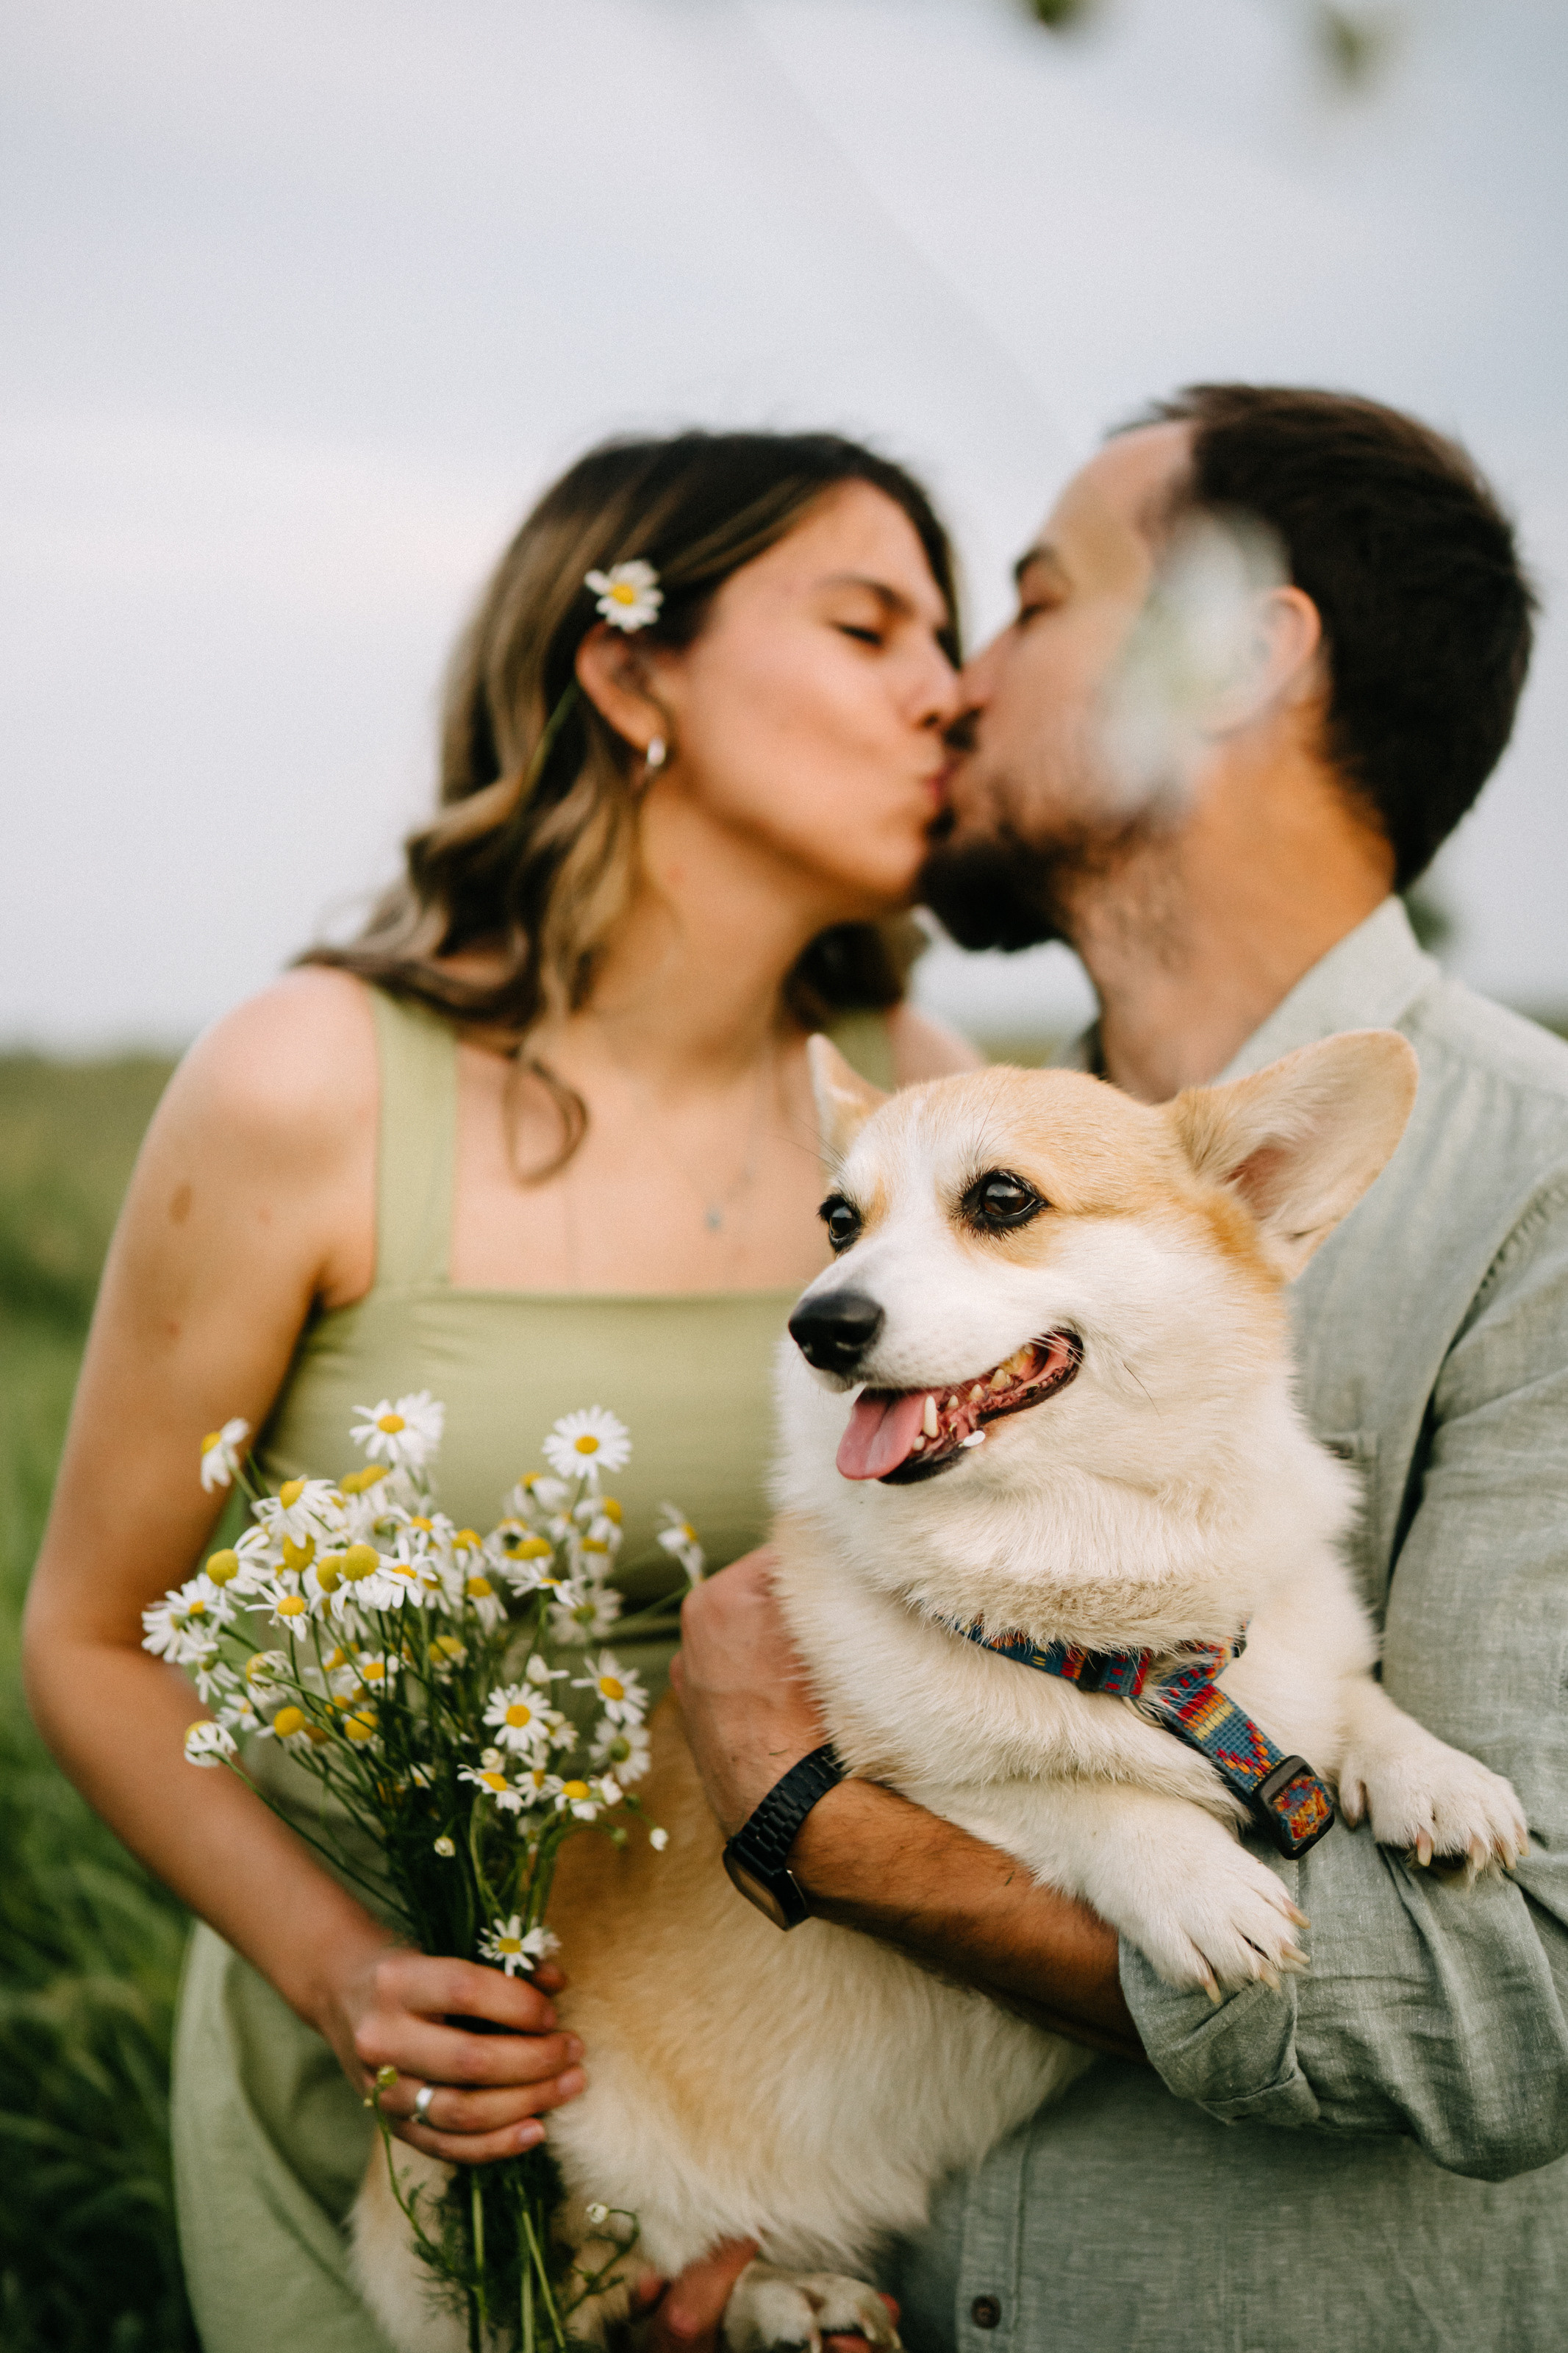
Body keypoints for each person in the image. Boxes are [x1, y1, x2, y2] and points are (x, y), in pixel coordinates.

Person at [21, 426, 978, 2353]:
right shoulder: (312, 1086)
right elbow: (92, 1637)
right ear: (629, 673)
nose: (948, 693)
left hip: (792, 2116)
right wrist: (352, 1984)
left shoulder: (918, 1090)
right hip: (412, 2105)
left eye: (949, 641)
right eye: (870, 625)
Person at [670, 387, 1568, 2351]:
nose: (952, 691)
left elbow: (1518, 2009)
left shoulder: (1546, 1200)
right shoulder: (943, 1144)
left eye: (1031, 603)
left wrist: (832, 1829)